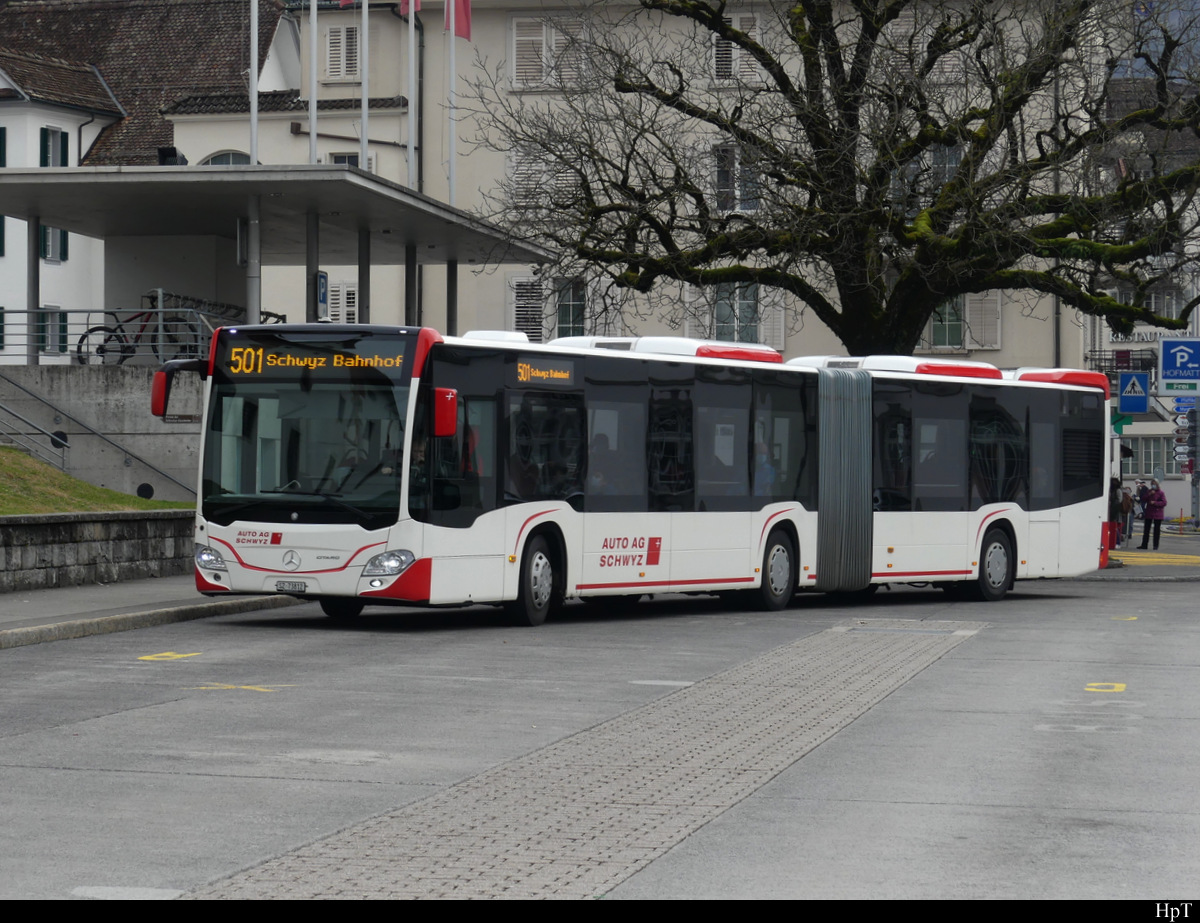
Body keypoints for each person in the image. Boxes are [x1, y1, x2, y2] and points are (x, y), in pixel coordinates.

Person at [1138, 478, 1167, 550]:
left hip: (1158, 513)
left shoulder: (1161, 493)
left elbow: (1164, 503)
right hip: (1149, 512)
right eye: (1152, 484)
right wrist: (1149, 494)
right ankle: (1144, 545)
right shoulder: (1149, 491)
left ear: (1157, 484)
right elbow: (1143, 499)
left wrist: (1155, 503)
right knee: (1146, 530)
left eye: (1154, 484)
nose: (1153, 485)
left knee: (1156, 530)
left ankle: (1155, 545)